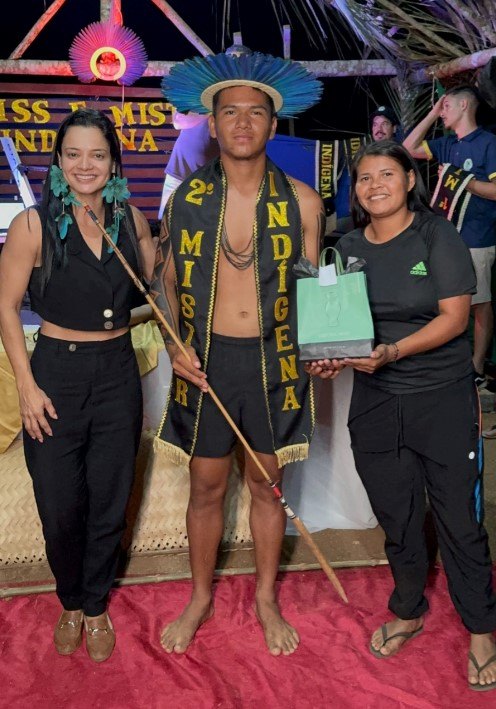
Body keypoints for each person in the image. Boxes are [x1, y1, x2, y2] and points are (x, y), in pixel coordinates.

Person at [151, 51, 323, 656]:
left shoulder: (302, 201)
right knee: (206, 484)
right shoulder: (186, 199)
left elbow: (315, 289)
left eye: (255, 112)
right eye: (230, 112)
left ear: (274, 124)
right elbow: (165, 281)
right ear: (212, 122)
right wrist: (174, 345)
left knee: (267, 484)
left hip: (275, 361)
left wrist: (327, 347)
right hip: (208, 360)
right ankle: (200, 595)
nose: (243, 122)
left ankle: (266, 597)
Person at [306, 140, 496, 691]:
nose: (375, 186)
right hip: (375, 402)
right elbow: (338, 322)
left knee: (458, 518)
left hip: (442, 398)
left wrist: (393, 351)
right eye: (365, 178)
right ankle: (409, 609)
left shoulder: (437, 236)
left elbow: (455, 318)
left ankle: (481, 627)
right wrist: (329, 358)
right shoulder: (345, 246)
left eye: (387, 174)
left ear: (409, 180)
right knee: (398, 515)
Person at [0, 108, 155, 662]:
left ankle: (94, 605)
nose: (85, 165)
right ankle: (69, 599)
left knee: (110, 500)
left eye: (97, 154)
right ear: (58, 161)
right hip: (55, 375)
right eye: (73, 154)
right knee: (60, 502)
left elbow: (161, 289)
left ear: (113, 161)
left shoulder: (131, 221)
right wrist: (26, 385)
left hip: (117, 373)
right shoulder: (33, 225)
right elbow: (5, 307)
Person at [403, 85, 496, 389]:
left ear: (464, 105)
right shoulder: (446, 144)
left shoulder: (488, 143)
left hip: (477, 237)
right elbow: (408, 148)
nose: (442, 112)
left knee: (478, 303)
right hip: (444, 237)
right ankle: (446, 360)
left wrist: (464, 182)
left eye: (445, 107)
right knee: (441, 300)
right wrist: (432, 113)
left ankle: (477, 366)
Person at [157, 109, 219, 220]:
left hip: (209, 177)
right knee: (166, 218)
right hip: (179, 170)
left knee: (202, 222)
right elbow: (177, 122)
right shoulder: (195, 104)